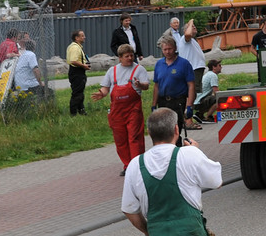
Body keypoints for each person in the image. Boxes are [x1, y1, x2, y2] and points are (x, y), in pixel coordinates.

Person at [121, 107, 222, 236]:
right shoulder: (189, 154)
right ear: (176, 129)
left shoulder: (135, 165)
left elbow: (129, 210)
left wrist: (149, 231)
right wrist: (196, 151)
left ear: (149, 132)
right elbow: (217, 182)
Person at [92, 44, 151, 175]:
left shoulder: (139, 69)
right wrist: (102, 93)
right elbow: (106, 88)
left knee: (134, 137)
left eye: (131, 55)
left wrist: (140, 85)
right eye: (127, 56)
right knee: (120, 140)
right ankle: (127, 165)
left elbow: (146, 86)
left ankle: (136, 166)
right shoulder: (112, 71)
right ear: (120, 58)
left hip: (133, 110)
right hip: (117, 112)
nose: (130, 58)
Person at [153, 36, 196, 142]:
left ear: (175, 48)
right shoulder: (159, 64)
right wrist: (154, 104)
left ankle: (176, 153)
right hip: (163, 102)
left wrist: (189, 105)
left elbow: (191, 85)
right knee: (163, 131)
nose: (167, 52)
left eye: (170, 49)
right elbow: (156, 86)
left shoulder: (184, 64)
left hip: (178, 102)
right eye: (165, 49)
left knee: (174, 131)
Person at [66, 29, 90, 116]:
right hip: (76, 72)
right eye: (82, 36)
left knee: (80, 92)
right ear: (76, 38)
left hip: (78, 71)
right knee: (77, 93)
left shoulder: (76, 46)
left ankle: (81, 110)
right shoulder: (75, 48)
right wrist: (84, 66)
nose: (84, 37)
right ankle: (73, 113)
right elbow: (74, 61)